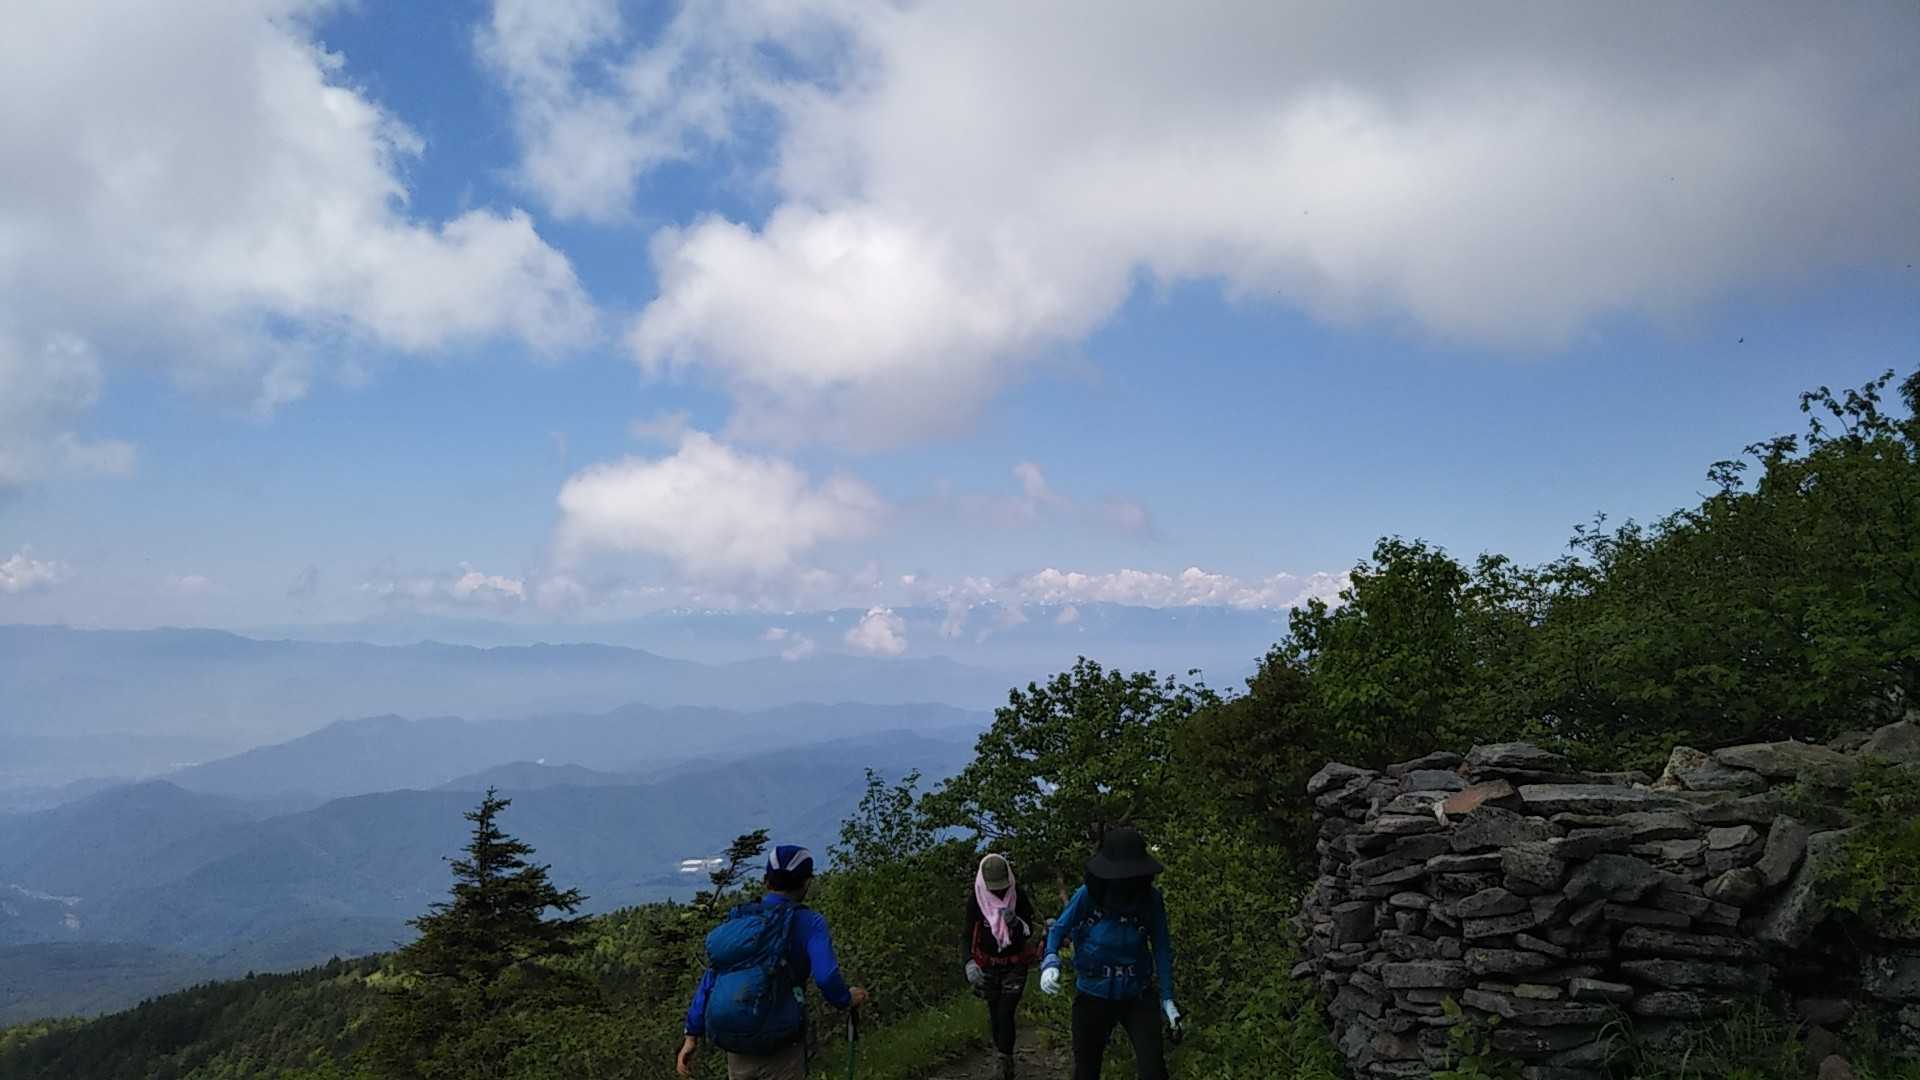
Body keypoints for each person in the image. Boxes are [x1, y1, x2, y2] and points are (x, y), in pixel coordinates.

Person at [678, 844, 870, 1079]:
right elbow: (826, 977)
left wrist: (691, 1035)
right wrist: (846, 998)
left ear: (766, 881)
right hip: (782, 1046)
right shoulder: (810, 922)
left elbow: (713, 976)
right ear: (806, 883)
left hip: (738, 1047)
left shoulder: (742, 919)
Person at [1039, 826, 1181, 1080]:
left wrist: (1168, 999)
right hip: (1093, 992)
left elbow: (1161, 946)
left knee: (1154, 1071)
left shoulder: (1150, 899)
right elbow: (1058, 929)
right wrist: (1050, 961)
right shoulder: (1088, 895)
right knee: (1086, 1070)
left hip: (1137, 991)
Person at [962, 852, 1041, 1080]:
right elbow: (967, 934)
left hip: (1015, 963)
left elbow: (1029, 930)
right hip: (988, 964)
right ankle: (1003, 1055)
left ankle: (1004, 1060)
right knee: (994, 1012)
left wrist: (1016, 923)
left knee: (1006, 1011)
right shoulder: (977, 899)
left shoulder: (1018, 895)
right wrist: (968, 962)